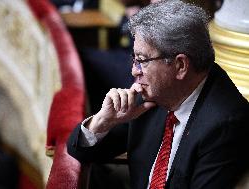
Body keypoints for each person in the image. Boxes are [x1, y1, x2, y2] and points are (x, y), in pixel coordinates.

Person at [67, 1, 249, 189]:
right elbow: (80, 151)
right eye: (134, 59)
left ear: (180, 66)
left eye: (142, 61)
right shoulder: (152, 96)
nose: (134, 71)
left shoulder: (225, 125)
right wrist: (103, 121)